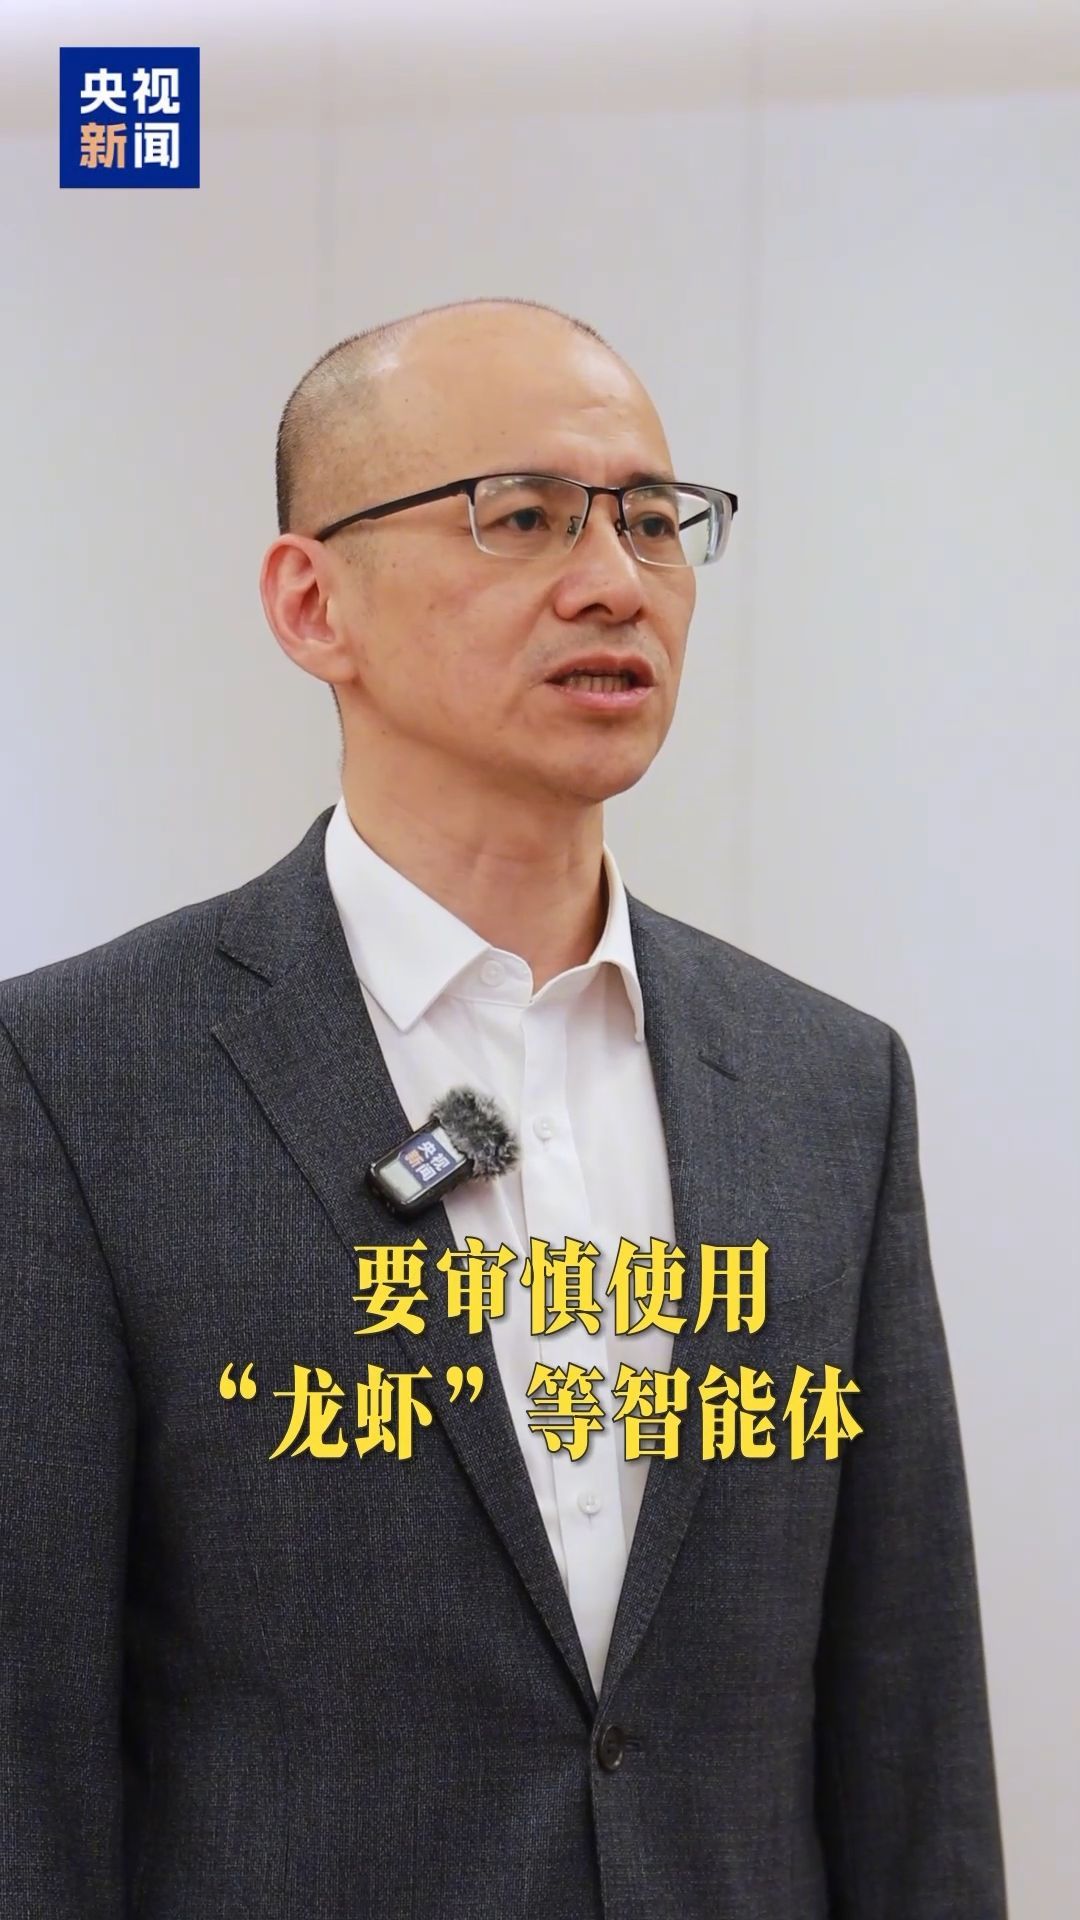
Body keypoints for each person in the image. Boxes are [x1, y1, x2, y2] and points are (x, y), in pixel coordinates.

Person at [0, 296, 1008, 1918]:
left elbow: (911, 1728)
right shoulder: (77, 1080)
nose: (616, 580)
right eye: (523, 516)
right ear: (312, 601)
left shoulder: (826, 1086)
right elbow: (27, 1756)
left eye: (653, 521)